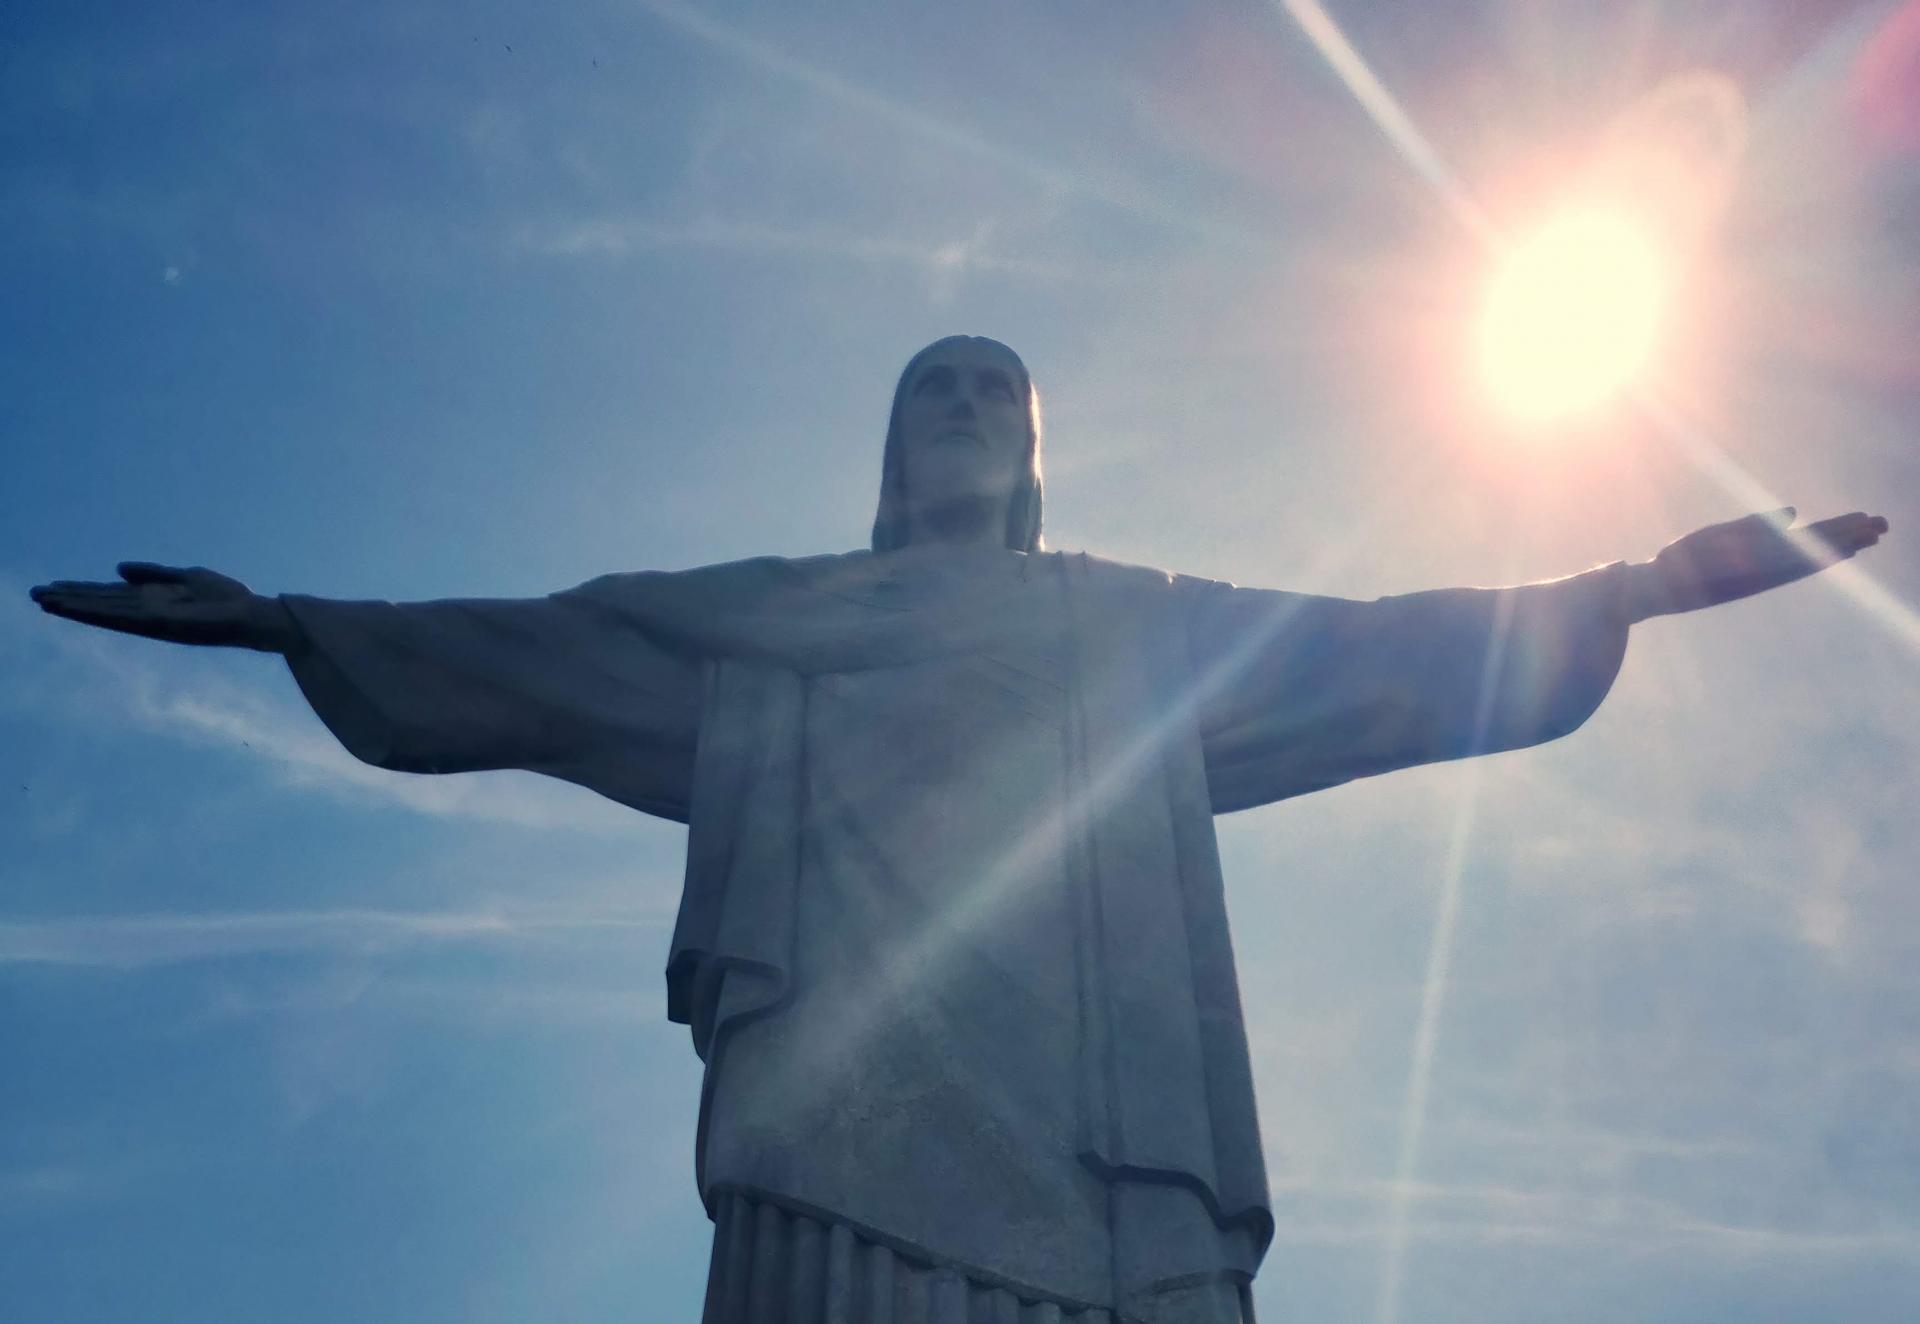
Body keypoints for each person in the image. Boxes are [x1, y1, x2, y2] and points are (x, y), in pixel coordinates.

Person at [29, 336, 1890, 1324]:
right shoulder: (784, 610)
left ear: (1032, 456)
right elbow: (555, 645)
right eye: (933, 389)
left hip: (1099, 1108)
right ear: (891, 448)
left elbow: (1368, 651)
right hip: (845, 1104)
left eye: (995, 391)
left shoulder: (1132, 622)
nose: (963, 411)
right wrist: (293, 621)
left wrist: (1629, 587)